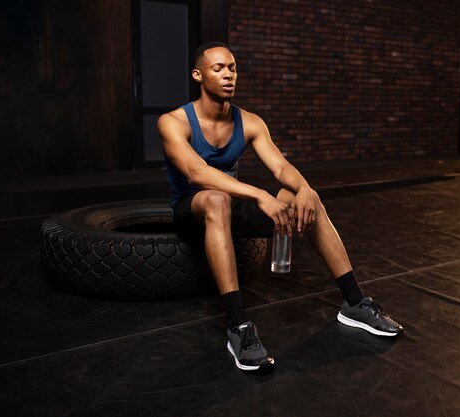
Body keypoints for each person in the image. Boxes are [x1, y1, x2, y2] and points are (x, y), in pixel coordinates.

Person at [158, 42, 402, 373]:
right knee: (217, 198)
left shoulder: (251, 122)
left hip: (233, 207)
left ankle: (355, 302)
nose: (228, 75)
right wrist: (259, 195)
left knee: (306, 196)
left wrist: (302, 189)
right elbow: (196, 173)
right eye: (218, 69)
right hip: (195, 210)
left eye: (232, 68)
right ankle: (239, 326)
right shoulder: (173, 121)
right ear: (199, 75)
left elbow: (281, 168)